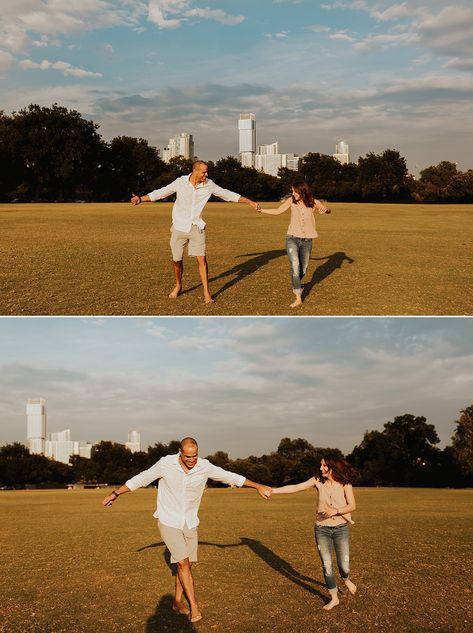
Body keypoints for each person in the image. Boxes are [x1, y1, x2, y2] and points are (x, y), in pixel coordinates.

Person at [102, 437, 271, 623]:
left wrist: (258, 486)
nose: (192, 460)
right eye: (188, 456)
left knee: (186, 565)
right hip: (169, 521)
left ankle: (176, 602)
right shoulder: (165, 464)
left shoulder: (204, 466)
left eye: (195, 456)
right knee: (183, 564)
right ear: (180, 452)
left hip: (190, 522)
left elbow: (231, 476)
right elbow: (140, 479)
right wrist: (115, 493)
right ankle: (194, 607)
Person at [131, 161, 260, 305]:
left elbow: (228, 194)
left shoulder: (209, 185)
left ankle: (206, 292)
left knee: (202, 260)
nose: (207, 175)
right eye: (204, 172)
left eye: (207, 172)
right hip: (179, 227)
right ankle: (179, 285)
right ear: (195, 171)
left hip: (196, 227)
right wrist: (141, 199)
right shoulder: (180, 182)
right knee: (176, 260)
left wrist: (250, 202)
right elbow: (162, 192)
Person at [269, 457, 357, 610]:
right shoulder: (318, 481)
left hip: (340, 529)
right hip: (321, 529)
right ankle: (334, 597)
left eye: (324, 466)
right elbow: (296, 487)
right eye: (321, 465)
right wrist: (273, 491)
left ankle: (346, 579)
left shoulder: (345, 484)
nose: (321, 468)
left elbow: (352, 506)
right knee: (327, 565)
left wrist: (335, 511)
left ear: (333, 467)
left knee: (344, 565)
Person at [258, 181, 330, 308]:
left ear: (302, 191)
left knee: (303, 268)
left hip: (307, 240)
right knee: (295, 266)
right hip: (292, 238)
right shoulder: (291, 201)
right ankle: (298, 297)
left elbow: (326, 209)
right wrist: (262, 210)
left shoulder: (312, 202)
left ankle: (295, 281)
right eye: (292, 191)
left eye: (295, 191)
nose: (293, 194)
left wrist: (325, 210)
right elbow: (278, 211)